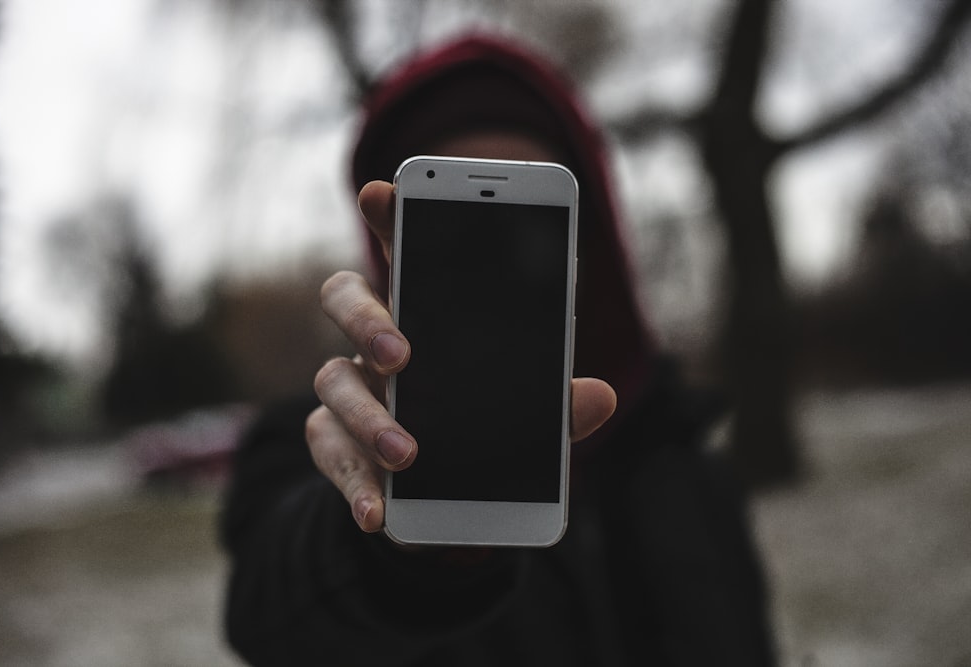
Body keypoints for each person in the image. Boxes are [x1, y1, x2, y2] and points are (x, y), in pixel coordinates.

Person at [221, 35, 776, 666]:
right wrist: (382, 542)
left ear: (587, 242)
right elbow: (271, 618)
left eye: (522, 231)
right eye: (458, 234)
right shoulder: (310, 443)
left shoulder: (687, 463)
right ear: (392, 252)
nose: (493, 268)